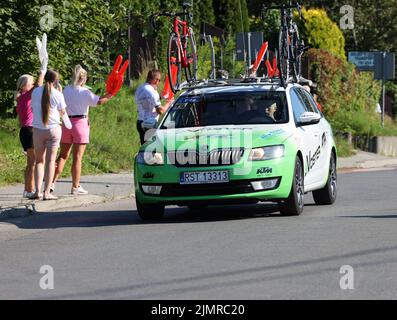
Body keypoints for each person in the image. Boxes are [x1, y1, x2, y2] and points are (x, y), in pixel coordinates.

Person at [51, 65, 113, 195]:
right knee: (77, 158)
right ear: (83, 78)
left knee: (62, 155)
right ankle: (75, 186)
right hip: (80, 123)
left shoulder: (65, 90)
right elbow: (99, 101)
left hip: (67, 123)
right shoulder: (85, 92)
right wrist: (110, 94)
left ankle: (51, 182)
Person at [29, 70, 66, 200]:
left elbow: (32, 109)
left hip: (38, 130)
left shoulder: (35, 92)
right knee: (50, 162)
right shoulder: (57, 94)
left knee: (39, 161)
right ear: (56, 81)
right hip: (54, 129)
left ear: (44, 78)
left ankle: (37, 192)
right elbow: (63, 113)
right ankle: (47, 192)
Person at [15, 71, 45, 198]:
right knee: (33, 162)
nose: (33, 85)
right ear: (24, 86)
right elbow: (39, 85)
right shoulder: (26, 95)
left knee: (30, 162)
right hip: (30, 130)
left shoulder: (20, 97)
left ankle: (27, 189)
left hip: (25, 131)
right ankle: (29, 189)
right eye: (30, 83)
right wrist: (43, 71)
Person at [135, 70, 174, 144]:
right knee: (153, 150)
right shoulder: (153, 92)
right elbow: (160, 111)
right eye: (159, 80)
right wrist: (168, 103)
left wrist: (160, 97)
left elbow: (147, 101)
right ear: (156, 80)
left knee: (145, 149)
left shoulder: (139, 88)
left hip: (140, 122)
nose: (158, 83)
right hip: (150, 124)